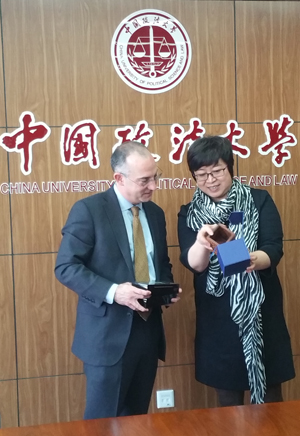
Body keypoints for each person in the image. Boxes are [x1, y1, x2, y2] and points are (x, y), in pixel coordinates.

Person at [55, 141, 180, 419]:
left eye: (155, 177)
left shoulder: (156, 214)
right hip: (107, 336)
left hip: (148, 330)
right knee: (103, 421)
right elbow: (66, 266)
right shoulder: (89, 210)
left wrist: (167, 288)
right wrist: (114, 291)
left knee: (135, 419)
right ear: (119, 178)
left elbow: (160, 263)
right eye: (145, 180)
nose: (153, 186)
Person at [177, 136, 295, 406]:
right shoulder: (189, 214)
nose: (210, 180)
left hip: (259, 313)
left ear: (230, 167)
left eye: (217, 170)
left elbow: (273, 249)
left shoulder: (258, 200)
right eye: (202, 174)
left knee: (270, 402)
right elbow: (194, 264)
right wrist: (201, 241)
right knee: (227, 404)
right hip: (218, 317)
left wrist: (248, 257)